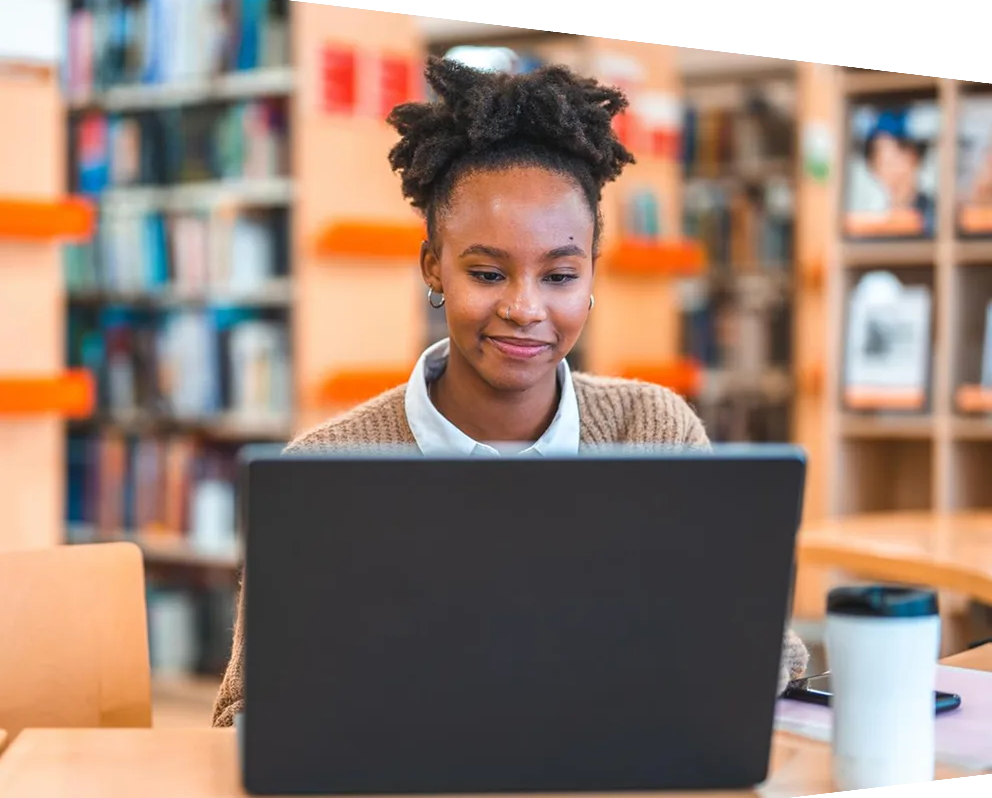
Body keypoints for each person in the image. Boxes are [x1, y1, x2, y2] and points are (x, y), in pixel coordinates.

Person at [211, 57, 809, 728]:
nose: (525, 308)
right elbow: (243, 713)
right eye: (489, 272)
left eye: (559, 276)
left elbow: (764, 649)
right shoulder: (324, 471)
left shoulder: (653, 430)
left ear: (590, 276)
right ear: (434, 265)